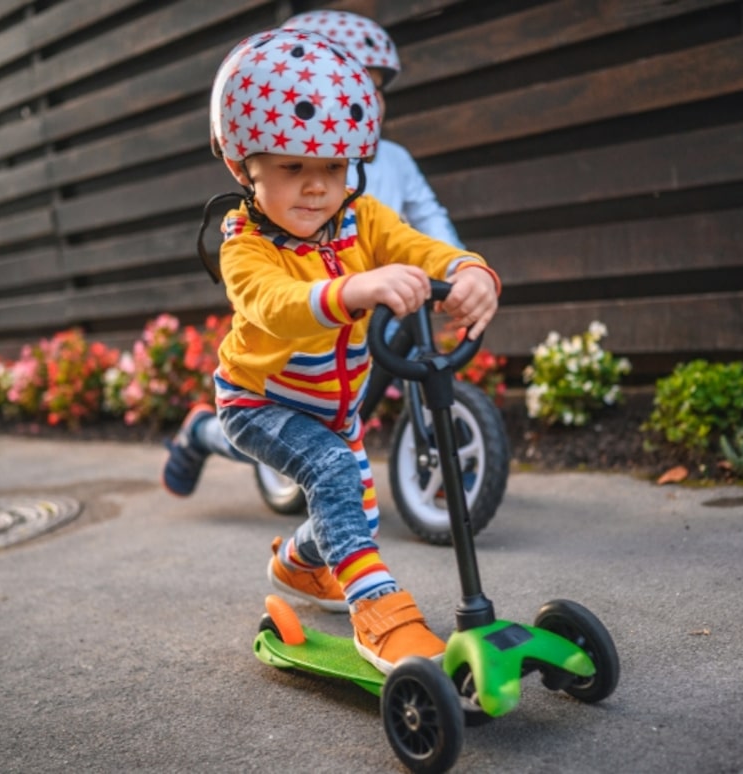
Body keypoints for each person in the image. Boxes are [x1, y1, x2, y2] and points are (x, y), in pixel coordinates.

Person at [163, 28, 500, 673]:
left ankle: (298, 566)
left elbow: (419, 247)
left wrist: (467, 271)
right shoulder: (246, 245)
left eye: (334, 168)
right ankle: (380, 615)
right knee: (337, 475)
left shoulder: (363, 218)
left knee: (357, 511)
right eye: (292, 168)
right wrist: (356, 287)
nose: (317, 188)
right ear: (244, 167)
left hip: (331, 407)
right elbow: (275, 307)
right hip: (259, 402)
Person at [281, 9, 465, 249]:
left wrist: (459, 265)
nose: (372, 99)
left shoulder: (394, 157)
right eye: (356, 85)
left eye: (377, 88)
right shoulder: (290, 163)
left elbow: (429, 218)